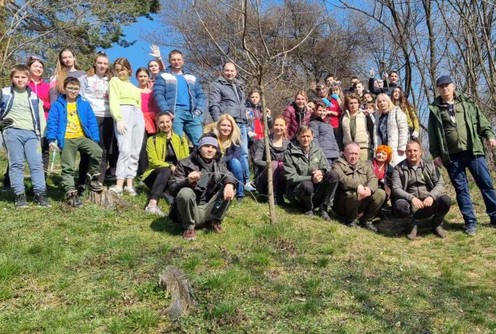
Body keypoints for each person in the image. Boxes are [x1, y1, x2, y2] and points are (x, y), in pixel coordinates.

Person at [428, 75, 496, 235]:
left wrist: (490, 135)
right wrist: (436, 154)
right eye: (441, 86)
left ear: (453, 86)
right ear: (438, 89)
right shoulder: (435, 109)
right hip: (451, 156)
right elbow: (432, 134)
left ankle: (494, 216)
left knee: (486, 184)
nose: (445, 88)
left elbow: (482, 121)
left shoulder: (467, 102)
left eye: (447, 85)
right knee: (461, 189)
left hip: (473, 151)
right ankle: (470, 222)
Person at [46, 77, 102, 207]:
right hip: (66, 139)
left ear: (79, 90)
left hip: (82, 137)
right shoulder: (58, 105)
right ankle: (71, 193)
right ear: (65, 89)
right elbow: (52, 122)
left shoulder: (84, 104)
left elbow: (92, 122)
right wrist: (51, 139)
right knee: (68, 167)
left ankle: (91, 176)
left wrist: (95, 140)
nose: (73, 91)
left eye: (76, 88)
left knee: (97, 151)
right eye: (70, 88)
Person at [168, 133, 237, 241]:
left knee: (230, 188)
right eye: (206, 146)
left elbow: (229, 175)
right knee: (185, 192)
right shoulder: (184, 163)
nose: (210, 150)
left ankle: (213, 222)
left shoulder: (218, 163)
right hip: (190, 210)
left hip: (208, 208)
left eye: (213, 147)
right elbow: (172, 188)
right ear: (199, 148)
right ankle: (189, 228)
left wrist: (229, 184)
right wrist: (188, 181)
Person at [0, 64, 48, 207]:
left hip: (32, 133)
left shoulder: (33, 96)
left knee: (36, 164)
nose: (20, 80)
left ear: (28, 79)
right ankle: (19, 195)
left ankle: (40, 194)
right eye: (17, 77)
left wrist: (42, 135)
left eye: (23, 77)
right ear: (12, 78)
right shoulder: (4, 92)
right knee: (17, 163)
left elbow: (40, 116)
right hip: (12, 131)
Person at [392, 140, 451, 240]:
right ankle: (411, 225)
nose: (412, 153)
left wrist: (431, 196)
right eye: (409, 151)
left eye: (415, 150)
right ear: (405, 153)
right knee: (399, 205)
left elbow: (440, 183)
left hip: (429, 203)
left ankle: (436, 224)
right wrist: (412, 198)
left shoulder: (430, 165)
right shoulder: (398, 168)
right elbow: (396, 188)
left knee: (446, 200)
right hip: (410, 205)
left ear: (420, 152)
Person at [209, 62, 252, 191]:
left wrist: (247, 121)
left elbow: (244, 105)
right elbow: (214, 104)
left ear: (236, 72)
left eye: (232, 71)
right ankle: (226, 180)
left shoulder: (239, 85)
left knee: (244, 153)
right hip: (228, 123)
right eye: (227, 70)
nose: (230, 73)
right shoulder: (216, 85)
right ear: (223, 71)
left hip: (242, 123)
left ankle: (246, 181)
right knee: (227, 153)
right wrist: (219, 122)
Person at [283, 126, 339, 220]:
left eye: (308, 136)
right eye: (303, 136)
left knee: (333, 176)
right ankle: (307, 208)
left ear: (312, 137)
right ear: (297, 137)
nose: (306, 139)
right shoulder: (289, 152)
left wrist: (320, 171)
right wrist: (311, 178)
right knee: (307, 185)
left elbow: (326, 167)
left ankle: (323, 208)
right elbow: (290, 177)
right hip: (297, 192)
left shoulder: (317, 150)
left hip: (315, 190)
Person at [78, 51, 115, 192]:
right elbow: (79, 98)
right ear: (94, 63)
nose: (102, 65)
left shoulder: (111, 80)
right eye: (100, 62)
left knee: (103, 150)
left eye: (105, 63)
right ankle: (81, 181)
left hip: (107, 117)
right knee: (87, 150)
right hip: (90, 116)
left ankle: (98, 180)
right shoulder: (85, 78)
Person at [153, 49, 206, 146]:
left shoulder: (191, 77)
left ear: (183, 60)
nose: (176, 62)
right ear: (169, 61)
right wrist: (166, 111)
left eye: (179, 59)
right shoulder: (163, 76)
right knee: (177, 144)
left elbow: (201, 95)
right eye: (174, 60)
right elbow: (158, 94)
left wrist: (199, 110)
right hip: (175, 112)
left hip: (193, 113)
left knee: (201, 144)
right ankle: (180, 162)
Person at [108, 58, 144, 197]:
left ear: (129, 70)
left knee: (135, 150)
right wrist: (119, 118)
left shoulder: (135, 88)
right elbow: (114, 101)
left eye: (122, 69)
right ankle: (119, 183)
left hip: (137, 114)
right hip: (123, 112)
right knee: (125, 149)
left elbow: (139, 105)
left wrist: (138, 119)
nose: (120, 72)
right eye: (117, 70)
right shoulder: (114, 81)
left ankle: (129, 183)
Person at [142, 112, 189, 216]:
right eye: (161, 122)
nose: (165, 125)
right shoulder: (152, 140)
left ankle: (167, 194)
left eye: (167, 121)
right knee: (165, 170)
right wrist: (170, 166)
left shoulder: (181, 140)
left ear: (171, 122)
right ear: (157, 124)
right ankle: (152, 204)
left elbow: (186, 159)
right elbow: (153, 160)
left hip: (176, 175)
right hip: (154, 174)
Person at [332, 142, 386, 231]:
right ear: (345, 153)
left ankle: (366, 220)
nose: (353, 156)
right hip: (343, 202)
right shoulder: (337, 164)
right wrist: (358, 186)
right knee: (353, 194)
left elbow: (373, 178)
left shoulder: (365, 165)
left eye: (356, 154)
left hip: (362, 198)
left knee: (381, 193)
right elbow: (342, 179)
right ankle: (350, 219)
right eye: (351, 153)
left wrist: (369, 189)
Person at [252, 115, 290, 205]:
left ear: (285, 126)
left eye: (281, 125)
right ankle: (272, 196)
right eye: (276, 125)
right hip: (264, 178)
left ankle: (281, 194)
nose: (278, 128)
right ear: (273, 126)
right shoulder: (264, 141)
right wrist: (271, 165)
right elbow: (256, 160)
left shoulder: (289, 144)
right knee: (273, 164)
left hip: (282, 177)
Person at [214, 114, 249, 203]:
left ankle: (240, 193)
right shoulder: (213, 139)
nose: (226, 128)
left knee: (235, 162)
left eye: (229, 126)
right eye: (223, 125)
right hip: (216, 167)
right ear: (218, 126)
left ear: (232, 128)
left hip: (231, 167)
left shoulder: (235, 141)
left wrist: (223, 159)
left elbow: (235, 156)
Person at [136, 67, 159, 177]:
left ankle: (153, 169)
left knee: (153, 145)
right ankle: (142, 171)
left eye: (144, 76)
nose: (142, 78)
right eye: (140, 76)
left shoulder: (153, 92)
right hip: (140, 119)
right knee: (142, 145)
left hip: (153, 121)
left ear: (148, 77)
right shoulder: (134, 91)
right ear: (136, 77)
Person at [375, 93, 408, 166]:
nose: (382, 103)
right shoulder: (378, 116)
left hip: (395, 148)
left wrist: (402, 146)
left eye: (384, 101)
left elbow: (403, 129)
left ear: (388, 101)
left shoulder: (397, 111)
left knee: (396, 169)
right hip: (383, 148)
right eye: (379, 102)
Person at [340, 93, 374, 161]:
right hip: (349, 148)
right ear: (348, 105)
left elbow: (372, 130)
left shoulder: (365, 115)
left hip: (363, 147)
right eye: (351, 103)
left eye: (355, 103)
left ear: (358, 104)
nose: (353, 105)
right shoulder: (343, 117)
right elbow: (340, 134)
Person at [309, 100, 340, 166]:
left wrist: (337, 152)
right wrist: (319, 153)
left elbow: (333, 140)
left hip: (334, 155)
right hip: (325, 155)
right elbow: (314, 139)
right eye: (320, 110)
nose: (322, 113)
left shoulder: (328, 124)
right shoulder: (314, 123)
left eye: (324, 111)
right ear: (315, 111)